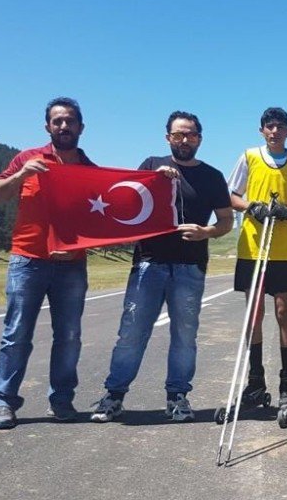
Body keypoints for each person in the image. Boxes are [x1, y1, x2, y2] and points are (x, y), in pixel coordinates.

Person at [91, 111, 233, 423]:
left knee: (185, 335)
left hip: (190, 267)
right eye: (179, 134)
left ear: (200, 138)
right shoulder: (151, 166)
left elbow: (226, 220)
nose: (185, 140)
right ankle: (114, 395)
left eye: (191, 134)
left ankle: (177, 397)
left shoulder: (212, 176)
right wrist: (155, 179)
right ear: (167, 137)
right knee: (131, 332)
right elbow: (126, 204)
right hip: (148, 264)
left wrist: (205, 231)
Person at [0, 97, 94, 429]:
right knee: (17, 334)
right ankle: (4, 403)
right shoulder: (27, 158)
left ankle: (61, 401)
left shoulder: (91, 171)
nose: (64, 126)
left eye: (70, 121)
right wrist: (21, 174)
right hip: (27, 260)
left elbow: (100, 223)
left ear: (81, 127)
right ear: (48, 126)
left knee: (69, 336)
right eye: (57, 121)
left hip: (71, 265)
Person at [227, 107, 287, 428]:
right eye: (270, 126)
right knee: (254, 313)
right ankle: (256, 381)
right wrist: (253, 206)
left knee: (282, 311)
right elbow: (232, 195)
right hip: (252, 247)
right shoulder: (249, 157)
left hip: (285, 249)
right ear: (262, 130)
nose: (275, 131)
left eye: (281, 127)